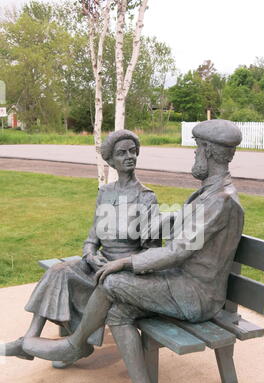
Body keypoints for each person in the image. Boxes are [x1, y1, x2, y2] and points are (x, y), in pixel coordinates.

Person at [23, 119, 245, 383]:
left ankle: (74, 345)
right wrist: (146, 223)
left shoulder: (220, 200)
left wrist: (126, 262)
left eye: (197, 149)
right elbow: (178, 228)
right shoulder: (209, 195)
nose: (194, 156)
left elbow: (178, 251)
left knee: (114, 283)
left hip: (197, 295)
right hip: (183, 283)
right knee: (118, 308)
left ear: (208, 151)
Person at [2, 130, 160, 367]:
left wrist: (120, 264)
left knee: (77, 281)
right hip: (98, 264)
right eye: (121, 153)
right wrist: (89, 254)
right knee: (58, 271)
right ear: (110, 161)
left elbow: (152, 253)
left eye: (132, 151)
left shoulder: (146, 198)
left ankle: (63, 347)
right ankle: (30, 339)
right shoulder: (105, 193)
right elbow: (92, 237)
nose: (129, 156)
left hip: (124, 272)